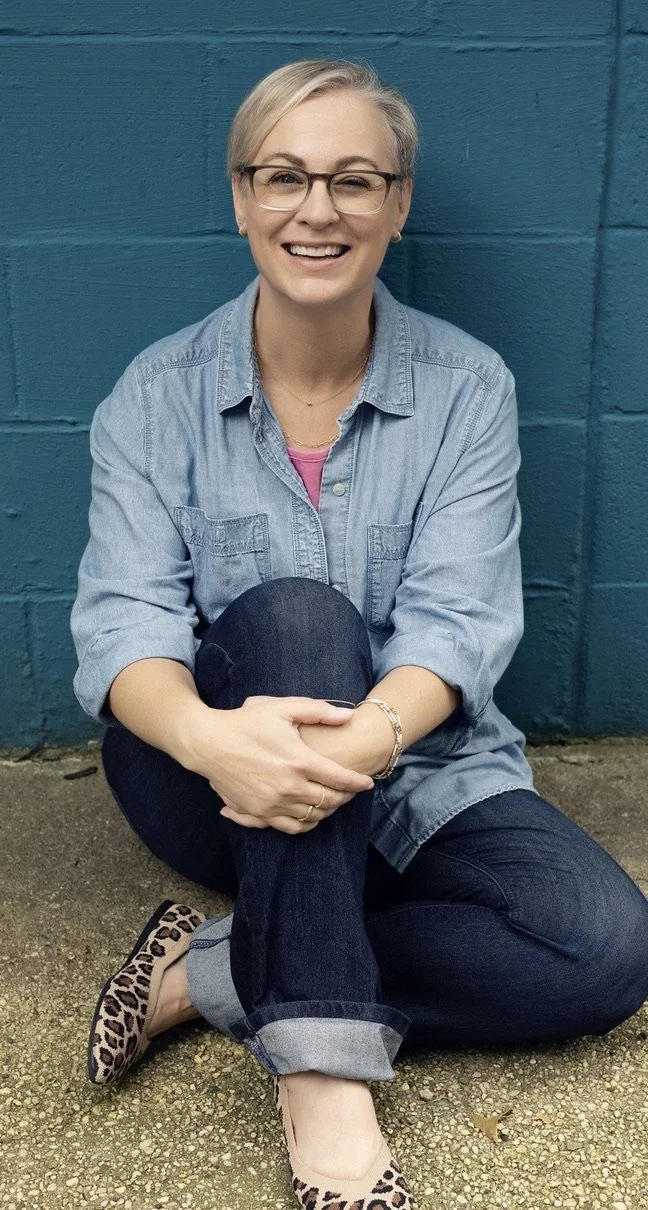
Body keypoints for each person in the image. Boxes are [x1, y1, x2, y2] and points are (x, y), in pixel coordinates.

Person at [70, 59, 648, 1210]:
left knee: (601, 948)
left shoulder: (465, 390)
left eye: (353, 180)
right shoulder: (154, 396)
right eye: (284, 177)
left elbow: (461, 621)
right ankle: (326, 1073)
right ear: (241, 198)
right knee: (298, 614)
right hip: (206, 770)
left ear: (398, 204)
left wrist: (369, 741)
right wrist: (210, 736)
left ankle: (209, 973)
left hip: (420, 763)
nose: (317, 209)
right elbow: (120, 621)